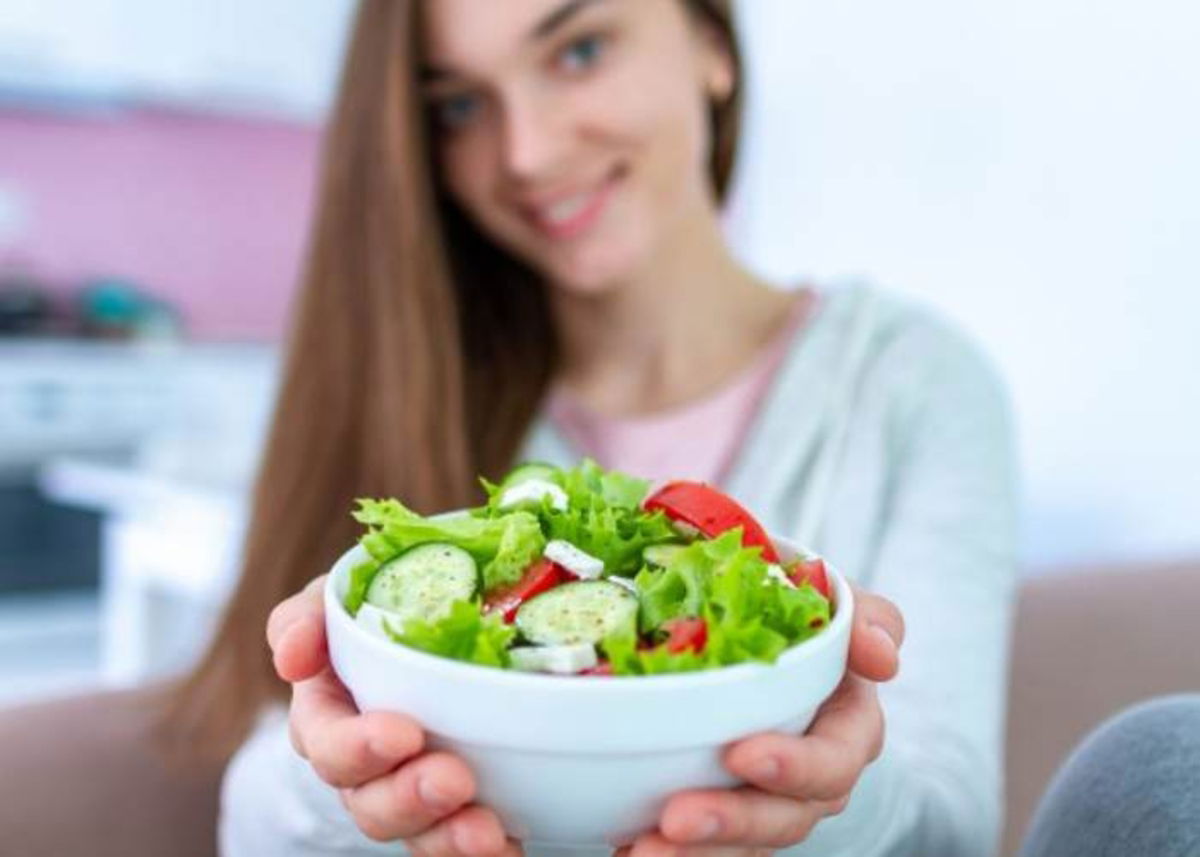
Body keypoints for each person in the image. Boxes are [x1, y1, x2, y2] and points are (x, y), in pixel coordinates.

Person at [162, 1, 1017, 856]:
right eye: (459, 105)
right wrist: (342, 773)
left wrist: (820, 800)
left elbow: (951, 831)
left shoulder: (912, 383)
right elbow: (256, 824)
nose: (527, 152)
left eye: (579, 50)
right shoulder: (404, 379)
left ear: (712, 45)